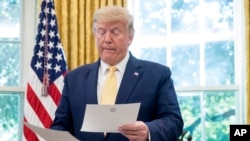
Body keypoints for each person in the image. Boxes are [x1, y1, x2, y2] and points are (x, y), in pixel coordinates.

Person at [50, 5, 183, 141]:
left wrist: (148, 130)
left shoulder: (157, 75)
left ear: (130, 37)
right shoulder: (74, 79)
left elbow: (174, 121)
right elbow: (60, 125)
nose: (107, 39)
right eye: (101, 32)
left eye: (115, 32)